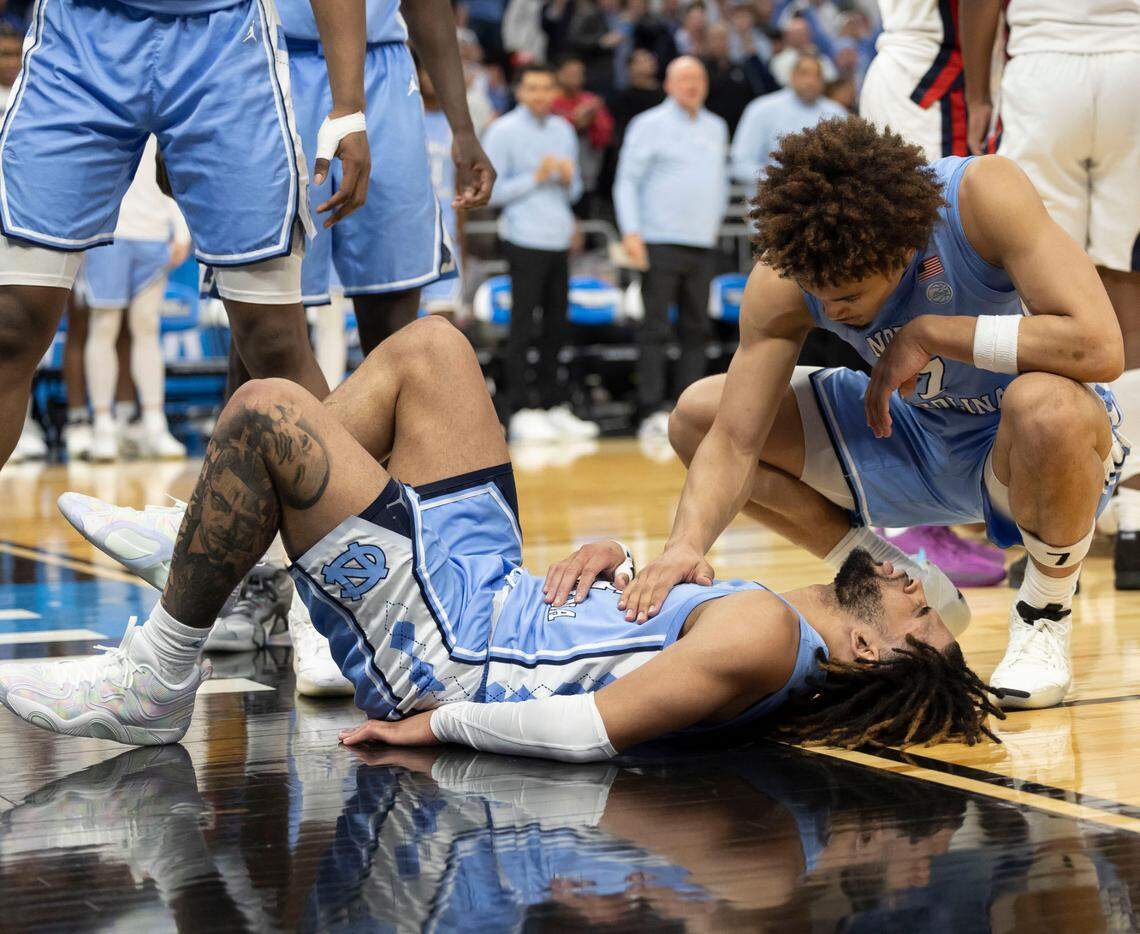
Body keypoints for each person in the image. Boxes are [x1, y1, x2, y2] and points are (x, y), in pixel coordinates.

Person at [3, 315, 1001, 758]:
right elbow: (621, 650)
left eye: (927, 616)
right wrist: (617, 556)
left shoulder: (765, 641)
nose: (923, 585)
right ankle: (244, 563)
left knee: (269, 412)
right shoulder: (763, 624)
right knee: (434, 350)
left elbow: (582, 733)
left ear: (869, 649)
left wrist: (430, 725)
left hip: (452, 650)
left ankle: (156, 678)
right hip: (497, 591)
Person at [642, 118, 1126, 711]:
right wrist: (684, 546)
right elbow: (736, 441)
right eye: (819, 295)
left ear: (902, 253)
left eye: (847, 297)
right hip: (907, 431)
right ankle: (877, 565)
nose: (831, 310)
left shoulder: (983, 196)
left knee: (1047, 405)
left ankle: (1044, 614)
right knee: (697, 416)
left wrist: (933, 333)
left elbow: (1100, 347)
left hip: (1027, 446)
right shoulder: (787, 273)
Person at [0, 0, 372, 475]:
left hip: (227, 41)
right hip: (80, 36)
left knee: (273, 337)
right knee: (11, 320)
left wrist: (348, 107)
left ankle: (350, 535)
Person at [960, 0, 1140, 591]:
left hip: (1045, 61)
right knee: (1129, 287)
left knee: (1050, 297)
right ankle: (1134, 521)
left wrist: (979, 91)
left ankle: (1059, 529)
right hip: (1132, 59)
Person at [271, 0, 494, 354]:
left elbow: (426, 7)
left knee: (394, 321)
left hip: (381, 66)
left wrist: (463, 130)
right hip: (278, 60)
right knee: (265, 324)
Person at [482, 64, 598, 443]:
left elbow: (576, 191)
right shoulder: (503, 131)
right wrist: (536, 176)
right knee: (522, 325)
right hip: (522, 237)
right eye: (532, 88)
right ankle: (519, 408)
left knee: (556, 326)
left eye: (546, 88)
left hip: (556, 237)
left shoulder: (563, 130)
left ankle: (552, 404)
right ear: (520, 92)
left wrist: (567, 179)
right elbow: (492, 192)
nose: (540, 95)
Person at [613, 56, 728, 439]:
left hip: (702, 243)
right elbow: (626, 181)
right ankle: (650, 406)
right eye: (683, 79)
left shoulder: (716, 126)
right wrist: (631, 232)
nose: (692, 85)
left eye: (698, 78)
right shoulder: (648, 125)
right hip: (658, 240)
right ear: (667, 84)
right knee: (655, 328)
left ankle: (689, 407)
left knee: (698, 329)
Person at [80, 137, 191, 463]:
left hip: (154, 231)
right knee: (104, 326)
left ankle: (155, 424)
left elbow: (170, 168)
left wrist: (181, 229)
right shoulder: (98, 106)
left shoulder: (159, 103)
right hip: (106, 231)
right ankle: (103, 426)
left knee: (147, 326)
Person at [730, 54, 846, 185]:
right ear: (792, 76)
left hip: (822, 199)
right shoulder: (761, 109)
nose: (811, 81)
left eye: (817, 75)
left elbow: (844, 162)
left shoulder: (836, 113)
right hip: (770, 199)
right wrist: (781, 179)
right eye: (804, 73)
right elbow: (740, 164)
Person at [551, 57, 614, 212]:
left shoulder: (591, 101)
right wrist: (575, 119)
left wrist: (591, 119)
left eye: (579, 73)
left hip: (586, 173)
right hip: (552, 173)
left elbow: (606, 135)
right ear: (559, 74)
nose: (576, 77)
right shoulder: (549, 100)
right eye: (571, 73)